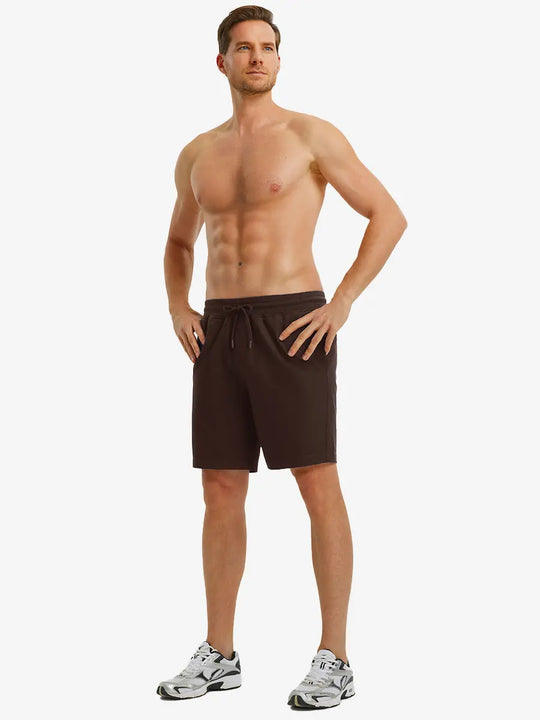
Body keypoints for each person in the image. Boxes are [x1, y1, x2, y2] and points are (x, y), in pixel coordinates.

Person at [157, 5, 407, 710]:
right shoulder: (197, 153)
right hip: (220, 327)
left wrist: (342, 302)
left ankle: (335, 657)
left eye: (268, 47)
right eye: (244, 48)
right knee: (220, 488)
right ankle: (220, 653)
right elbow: (178, 242)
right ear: (222, 62)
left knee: (316, 481)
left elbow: (388, 215)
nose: (258, 57)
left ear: (279, 57)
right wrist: (178, 306)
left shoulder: (310, 135)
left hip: (294, 321)